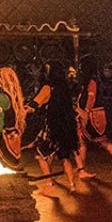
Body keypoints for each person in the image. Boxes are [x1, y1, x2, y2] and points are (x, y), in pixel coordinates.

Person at [27, 62, 79, 195]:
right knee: (65, 157)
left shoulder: (48, 88)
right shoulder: (64, 88)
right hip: (66, 126)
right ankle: (72, 185)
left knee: (40, 156)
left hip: (52, 127)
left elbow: (34, 105)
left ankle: (49, 183)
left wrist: (20, 109)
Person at [74, 56, 112, 177]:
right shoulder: (89, 80)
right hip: (91, 113)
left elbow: (91, 97)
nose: (80, 69)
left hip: (93, 115)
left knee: (98, 140)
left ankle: (82, 168)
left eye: (82, 66)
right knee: (83, 140)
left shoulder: (92, 81)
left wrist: (85, 112)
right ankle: (81, 168)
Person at [0, 67, 27, 171]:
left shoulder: (1, 98)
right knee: (12, 168)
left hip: (5, 139)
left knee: (4, 170)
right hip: (14, 137)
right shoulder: (14, 97)